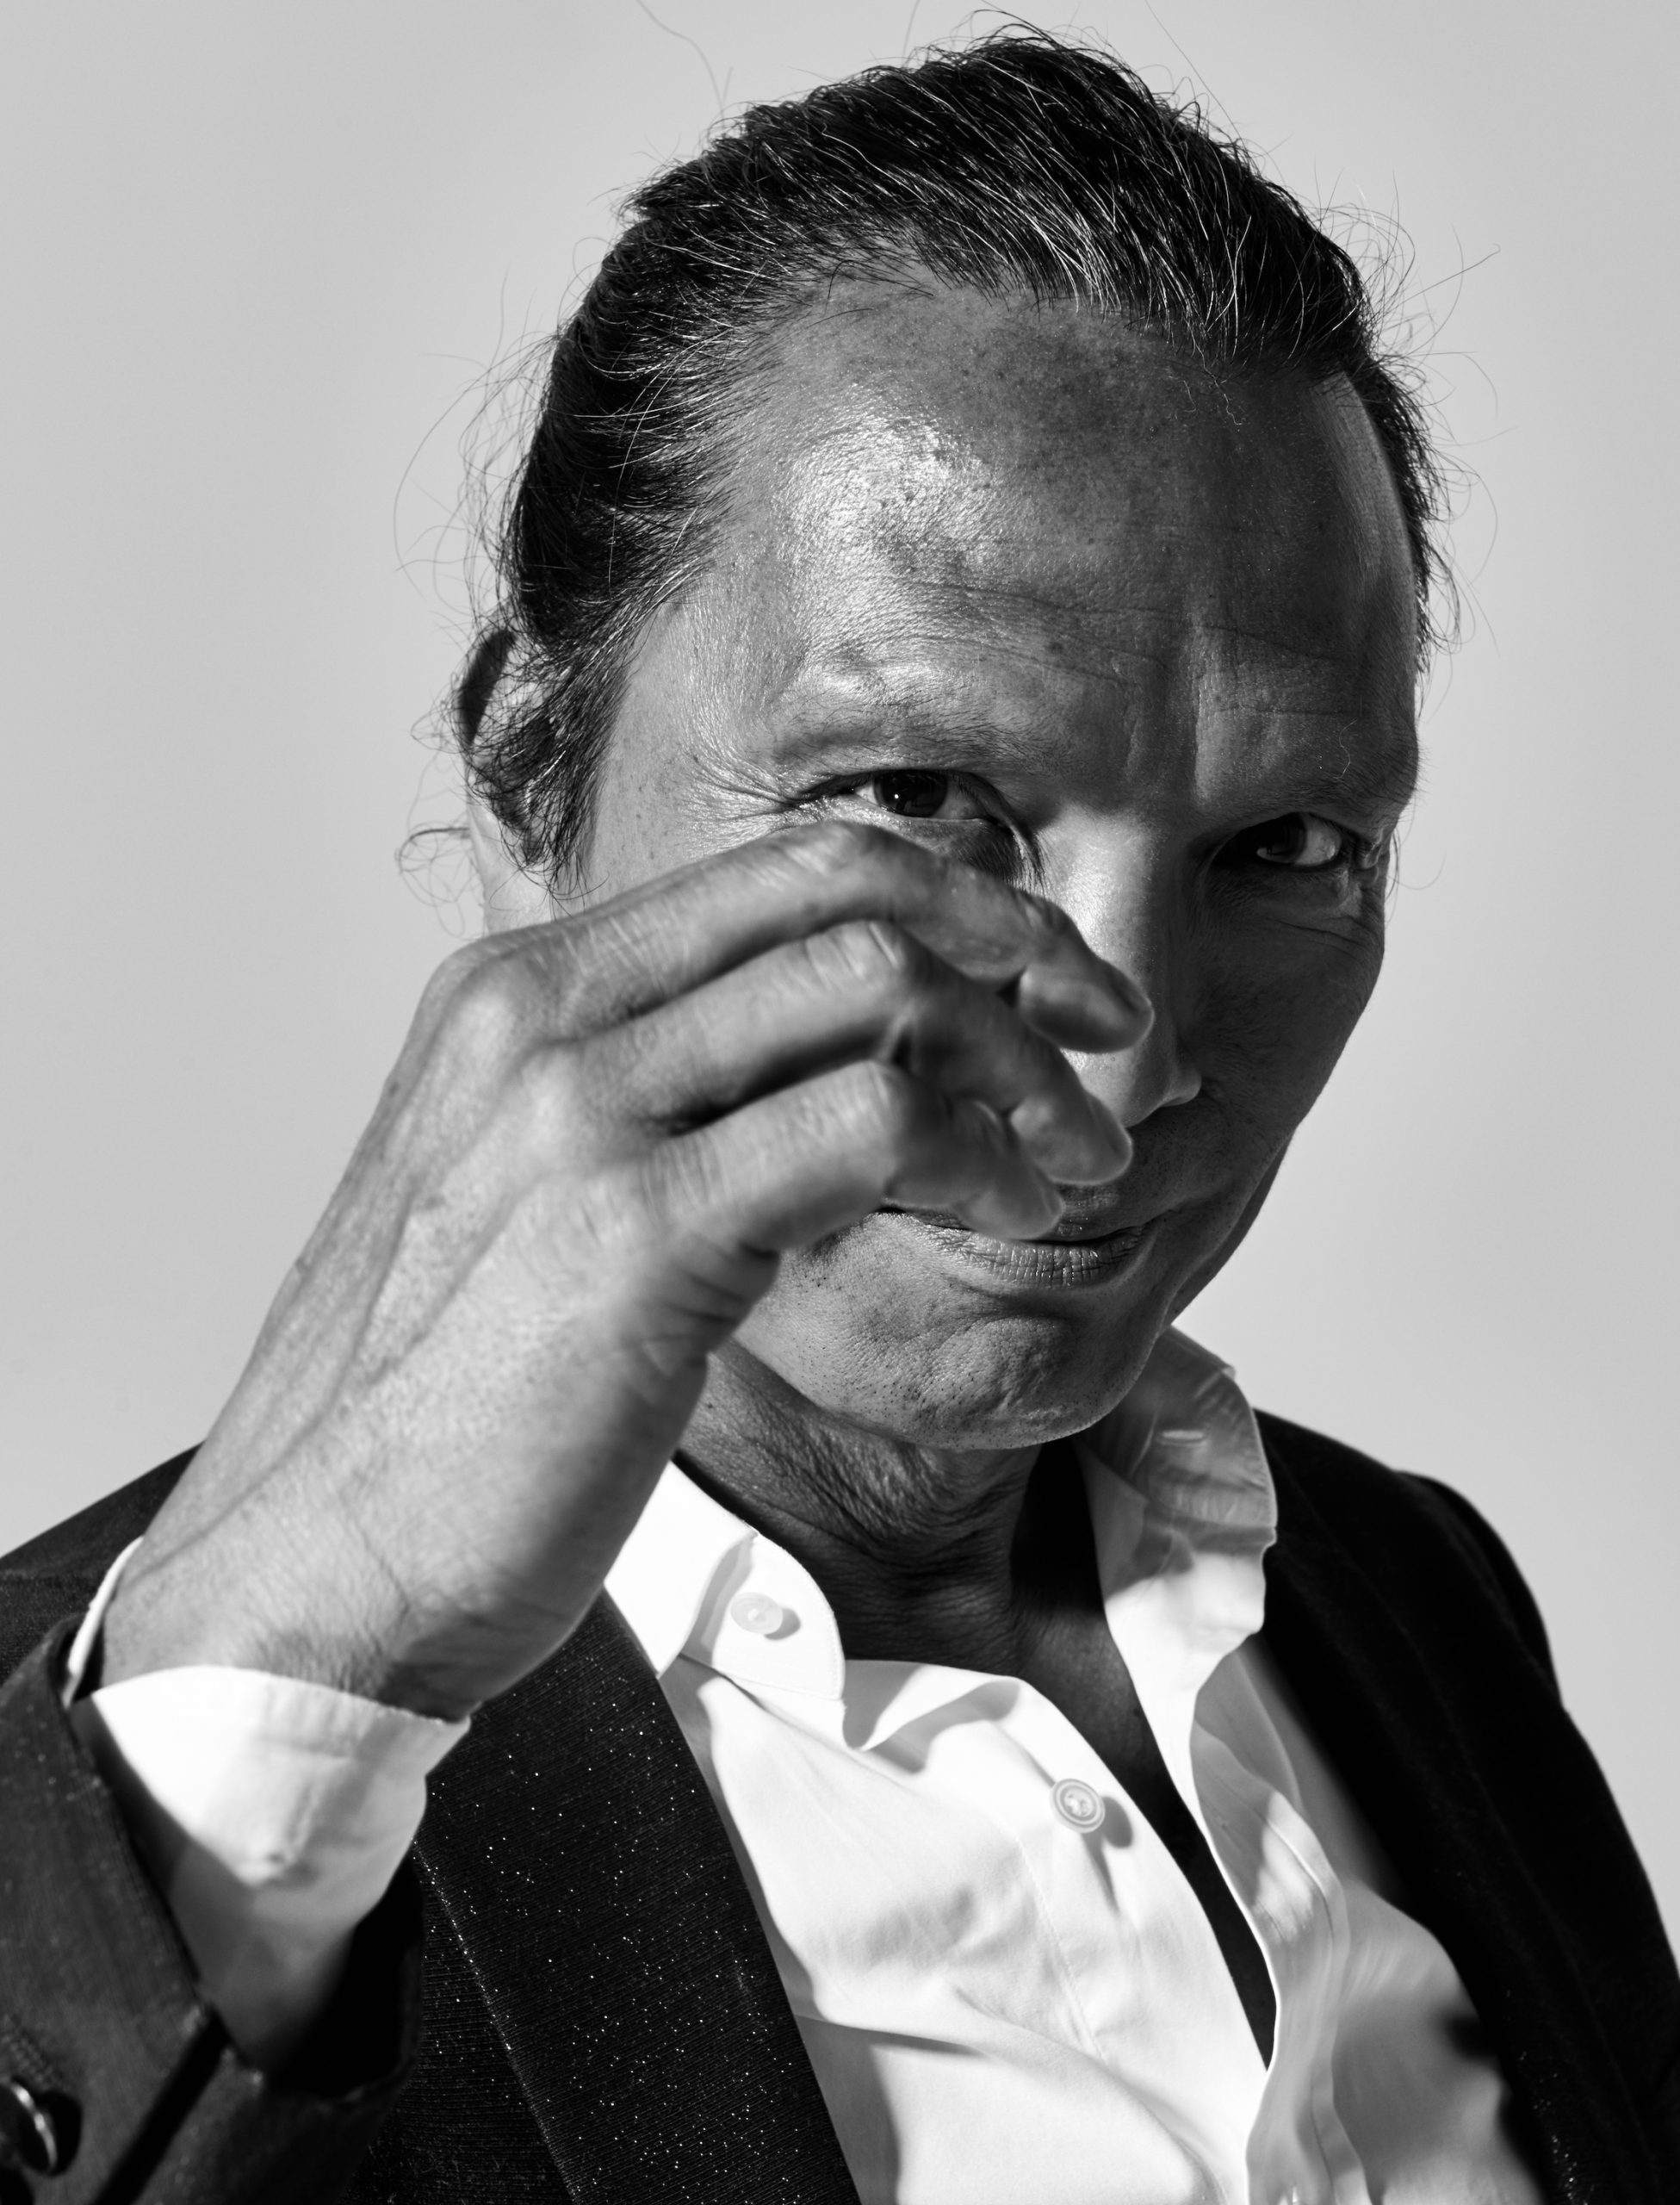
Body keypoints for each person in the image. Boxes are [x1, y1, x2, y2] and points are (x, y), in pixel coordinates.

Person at [0, 31, 1674, 2205]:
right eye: (920, 798)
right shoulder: (125, 1808)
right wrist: (294, 1656)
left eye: (1286, 847)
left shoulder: (1415, 1607)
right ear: (527, 770)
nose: (1120, 1066)